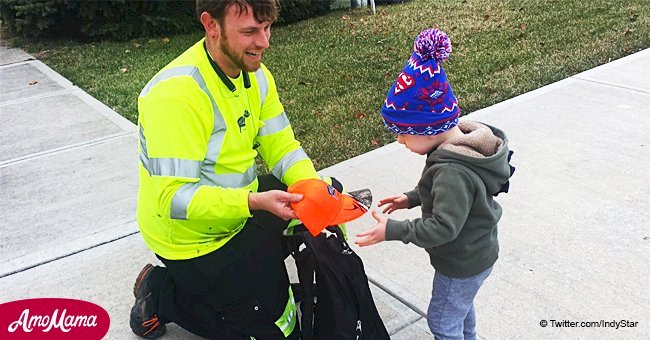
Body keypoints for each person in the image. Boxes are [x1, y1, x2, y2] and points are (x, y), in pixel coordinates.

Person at [130, 1, 326, 338]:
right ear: (212, 25)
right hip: (192, 240)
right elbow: (173, 199)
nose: (264, 42)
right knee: (273, 333)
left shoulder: (257, 75)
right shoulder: (177, 95)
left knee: (318, 190)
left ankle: (246, 274)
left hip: (238, 210)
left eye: (266, 28)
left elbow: (283, 146)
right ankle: (160, 291)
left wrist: (313, 188)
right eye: (250, 31)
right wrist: (253, 203)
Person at [355, 28, 514, 340]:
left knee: (442, 323)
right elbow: (456, 197)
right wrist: (412, 198)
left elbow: (443, 227)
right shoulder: (460, 149)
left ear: (428, 127)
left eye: (403, 132)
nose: (399, 141)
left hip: (462, 263)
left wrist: (393, 230)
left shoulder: (452, 170)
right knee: (460, 311)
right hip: (476, 253)